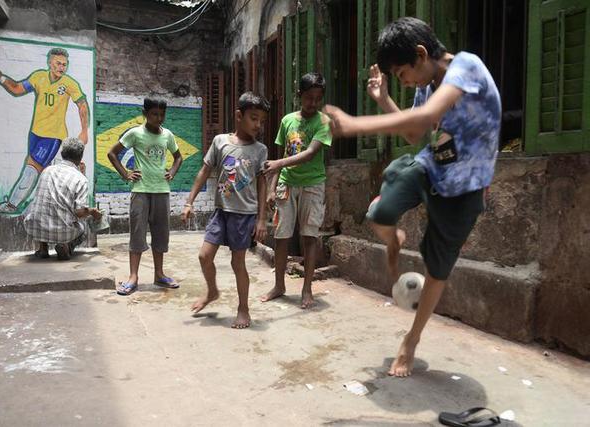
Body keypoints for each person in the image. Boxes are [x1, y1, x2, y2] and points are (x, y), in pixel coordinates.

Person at [323, 17, 501, 377]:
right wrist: (384, 99)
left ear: (421, 54)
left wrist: (355, 125)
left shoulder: (466, 66)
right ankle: (395, 238)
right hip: (429, 168)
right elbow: (415, 132)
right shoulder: (428, 82)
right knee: (381, 213)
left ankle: (412, 339)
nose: (404, 82)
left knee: (437, 270)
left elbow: (431, 113)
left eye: (402, 74)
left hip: (464, 188)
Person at [182, 92, 269, 329]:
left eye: (261, 120)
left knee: (237, 263)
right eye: (253, 118)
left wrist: (262, 219)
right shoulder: (220, 141)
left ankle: (243, 308)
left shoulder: (260, 150)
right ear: (239, 116)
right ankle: (212, 291)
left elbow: (263, 183)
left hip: (244, 214)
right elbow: (204, 171)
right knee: (204, 256)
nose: (258, 125)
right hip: (221, 211)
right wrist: (189, 201)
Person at [0, 47, 89, 214]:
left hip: (53, 136)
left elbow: (82, 105)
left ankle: (12, 205)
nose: (61, 67)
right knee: (43, 171)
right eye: (58, 63)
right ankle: (50, 208)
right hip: (35, 133)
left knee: (32, 167)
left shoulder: (69, 83)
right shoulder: (38, 77)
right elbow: (18, 88)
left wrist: (84, 130)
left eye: (64, 64)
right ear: (50, 63)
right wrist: (1, 78)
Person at [261, 72, 332, 309]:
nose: (313, 103)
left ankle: (307, 288)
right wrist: (272, 188)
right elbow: (280, 155)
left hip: (313, 184)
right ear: (299, 95)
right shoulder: (287, 121)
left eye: (317, 98)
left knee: (309, 238)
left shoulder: (323, 122)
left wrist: (279, 165)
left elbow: (311, 153)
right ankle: (279, 285)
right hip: (287, 184)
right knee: (281, 237)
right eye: (309, 97)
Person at [107, 98, 183, 296]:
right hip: (140, 191)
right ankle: (133, 277)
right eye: (154, 114)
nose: (158, 118)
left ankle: (159, 275)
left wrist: (172, 172)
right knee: (137, 235)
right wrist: (126, 174)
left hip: (162, 191)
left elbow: (178, 157)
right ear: (145, 114)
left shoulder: (168, 135)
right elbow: (112, 154)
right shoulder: (135, 133)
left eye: (161, 115)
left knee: (161, 235)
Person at [23, 138, 101, 260]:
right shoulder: (80, 179)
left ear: (62, 154)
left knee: (41, 206)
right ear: (80, 157)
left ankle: (43, 249)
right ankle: (66, 247)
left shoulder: (47, 170)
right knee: (84, 225)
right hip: (62, 231)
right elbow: (79, 212)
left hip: (35, 227)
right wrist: (92, 212)